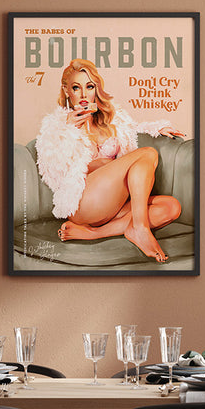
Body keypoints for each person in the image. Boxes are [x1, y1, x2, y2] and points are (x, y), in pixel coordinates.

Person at [35, 58, 184, 263]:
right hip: (83, 204)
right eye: (76, 88)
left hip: (112, 206)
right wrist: (66, 130)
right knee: (148, 153)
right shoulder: (56, 128)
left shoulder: (112, 120)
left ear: (97, 88)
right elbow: (53, 172)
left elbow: (133, 129)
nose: (84, 94)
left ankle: (95, 233)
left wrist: (157, 128)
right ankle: (140, 228)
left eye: (89, 86)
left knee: (171, 207)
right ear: (66, 90)